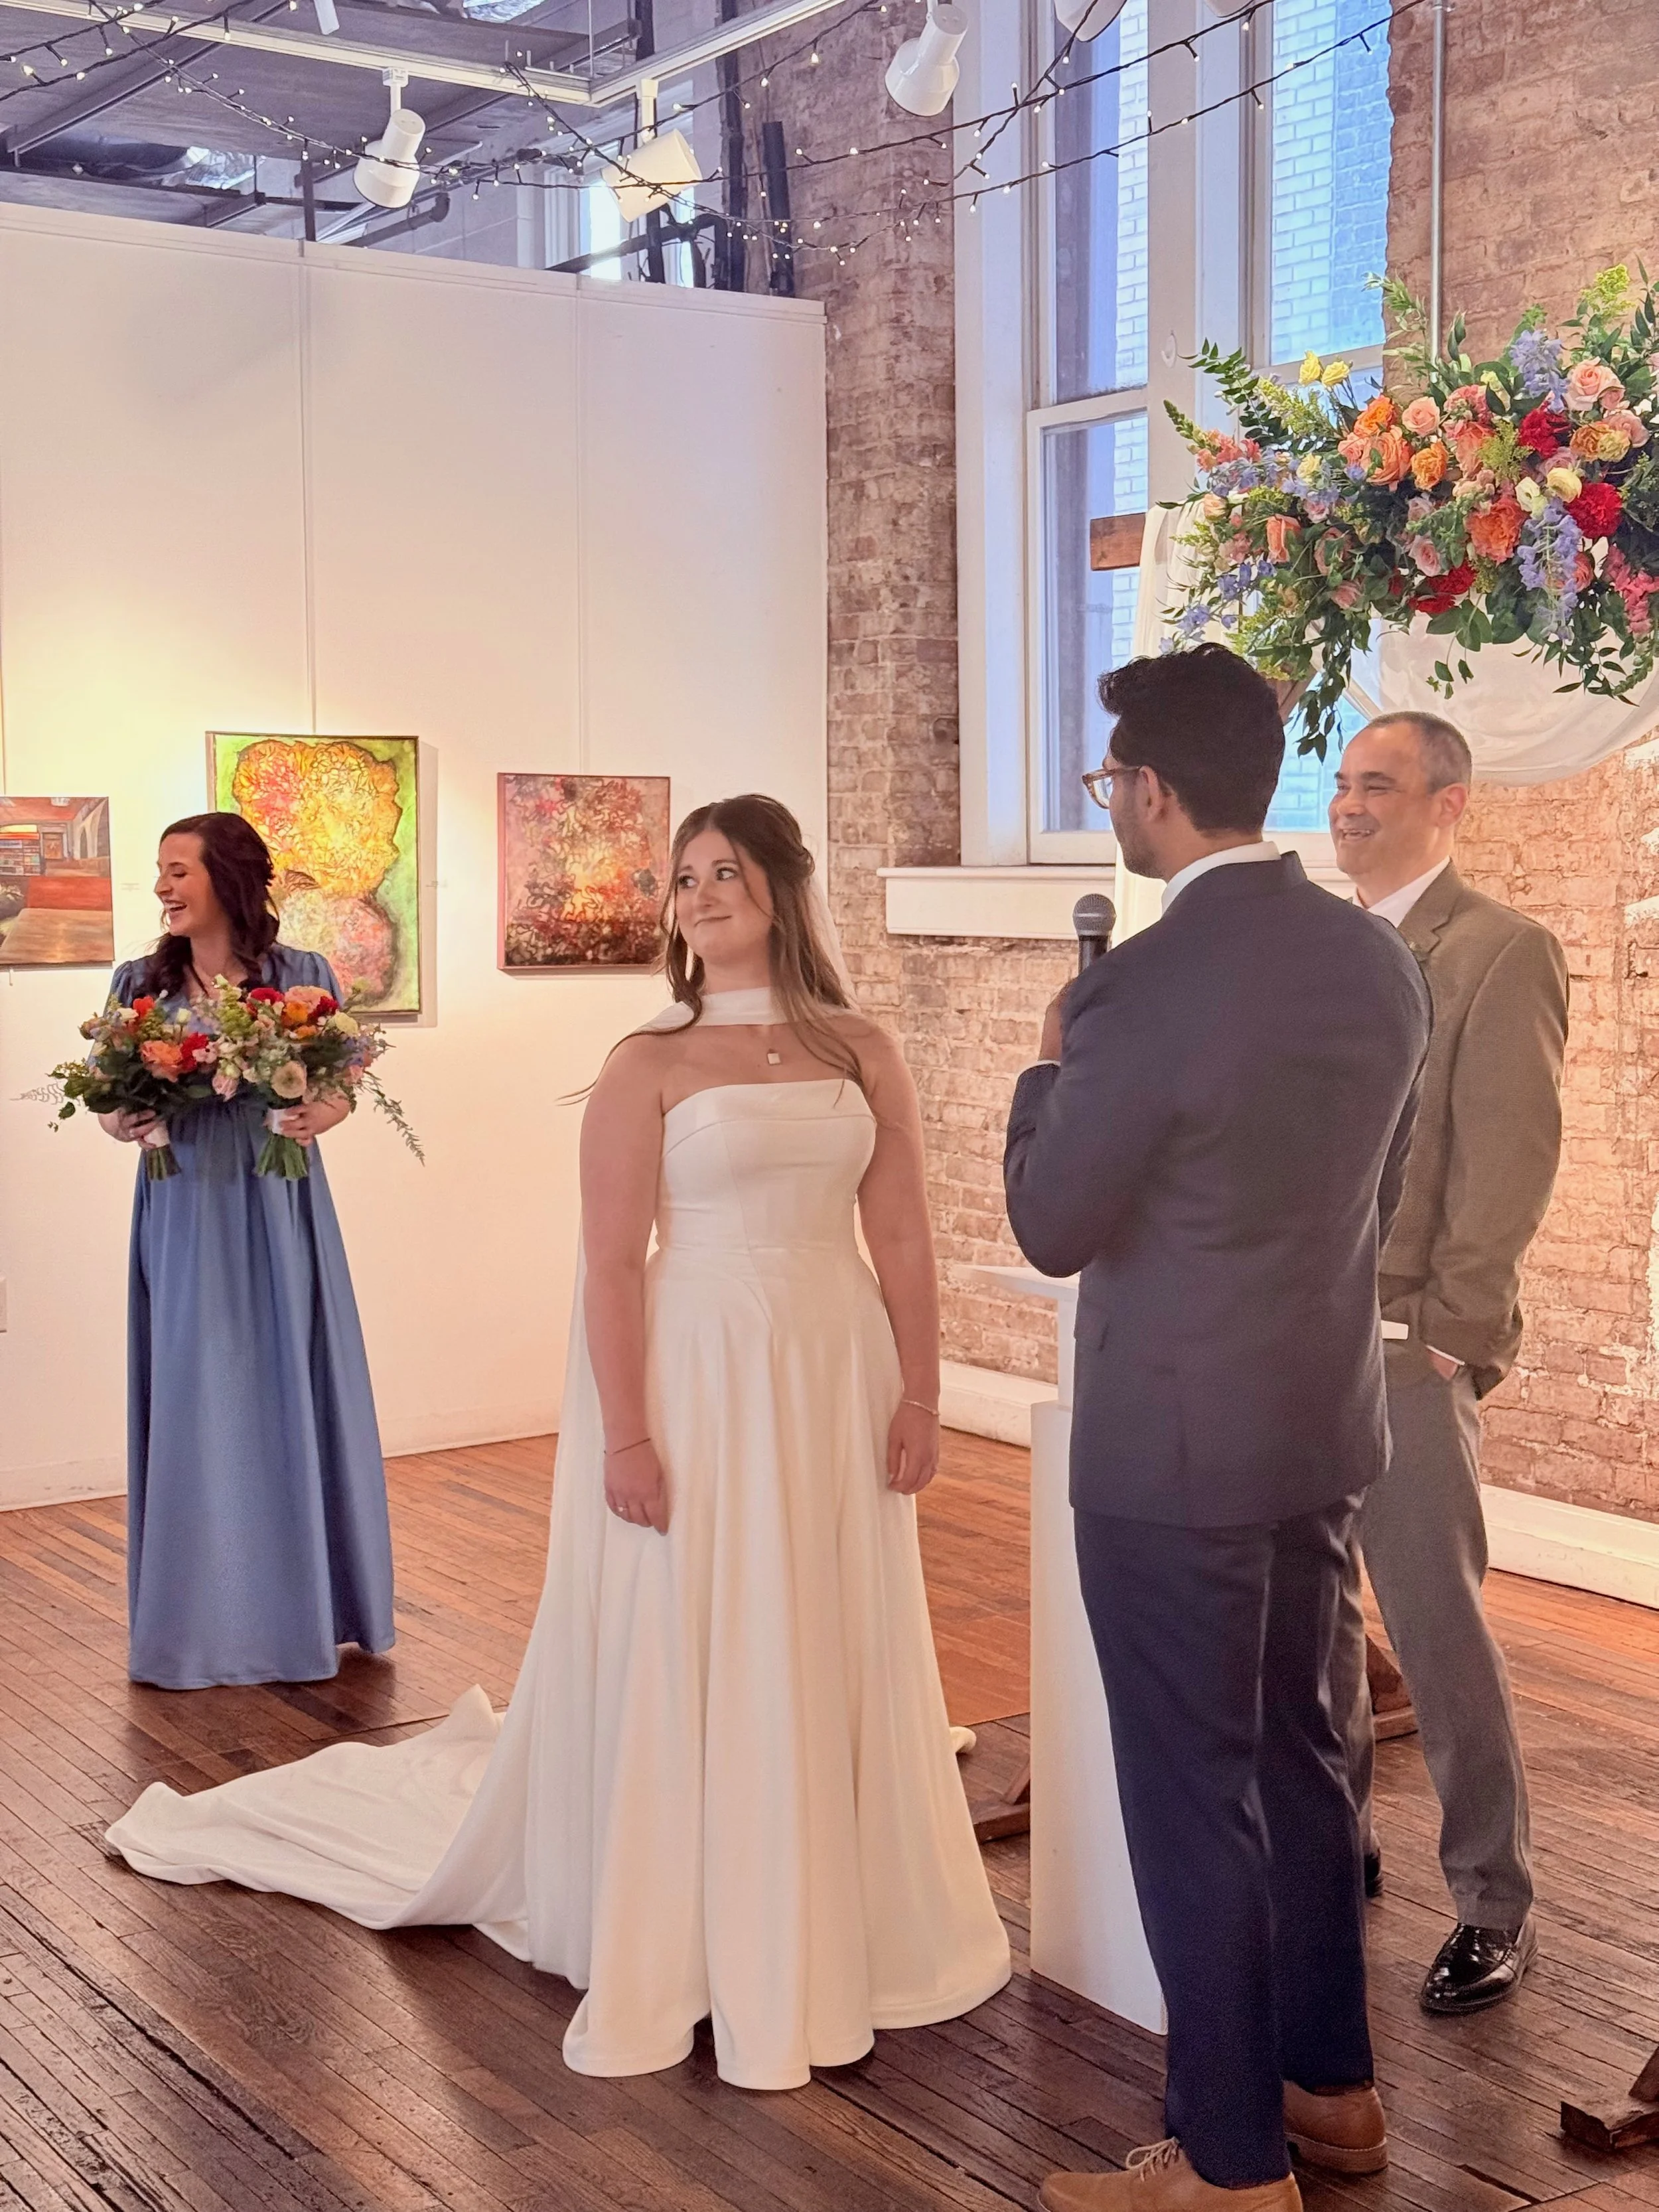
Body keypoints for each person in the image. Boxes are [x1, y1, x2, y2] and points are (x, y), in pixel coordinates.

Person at [107, 793, 1011, 2091]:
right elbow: (610, 1262)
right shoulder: (646, 1059)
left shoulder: (861, 1046)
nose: (697, 896)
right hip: (695, 1369)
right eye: (685, 877)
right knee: (700, 1620)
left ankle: (839, 1901)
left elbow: (907, 1234)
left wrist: (921, 1394)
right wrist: (628, 1435)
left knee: (824, 1618)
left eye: (724, 873)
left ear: (781, 890)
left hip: (832, 1363)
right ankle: (691, 1915)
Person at [1004, 646, 1430, 2212]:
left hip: (1169, 1458)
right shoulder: (1374, 959)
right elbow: (1364, 1197)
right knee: (1310, 1765)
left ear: (1157, 793)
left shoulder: (1140, 986)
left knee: (1191, 1793)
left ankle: (1227, 2166)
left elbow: (1055, 1223)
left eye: (1109, 780)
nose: (1108, 803)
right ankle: (1332, 2098)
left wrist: (1043, 1069)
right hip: (1316, 1429)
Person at [1327, 712, 1567, 2015]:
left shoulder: (1496, 952)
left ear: (1449, 803)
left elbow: (1506, 1162)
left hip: (1407, 1346)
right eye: (1344, 785)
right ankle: (1339, 1841)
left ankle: (1490, 1901)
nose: (1351, 807)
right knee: (1317, 1628)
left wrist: (1451, 1340)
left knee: (1434, 1626)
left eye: (1380, 785)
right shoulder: (1322, 949)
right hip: (1296, 1336)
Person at [102, 812, 394, 1690]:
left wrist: (319, 1114)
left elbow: (344, 1085)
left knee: (286, 1392)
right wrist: (128, 1120)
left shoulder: (302, 978)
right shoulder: (138, 983)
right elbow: (112, 1110)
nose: (163, 886)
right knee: (196, 1396)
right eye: (160, 871)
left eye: (179, 869)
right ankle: (199, 1620)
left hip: (279, 1204)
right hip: (184, 1206)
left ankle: (308, 1609)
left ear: (228, 878)